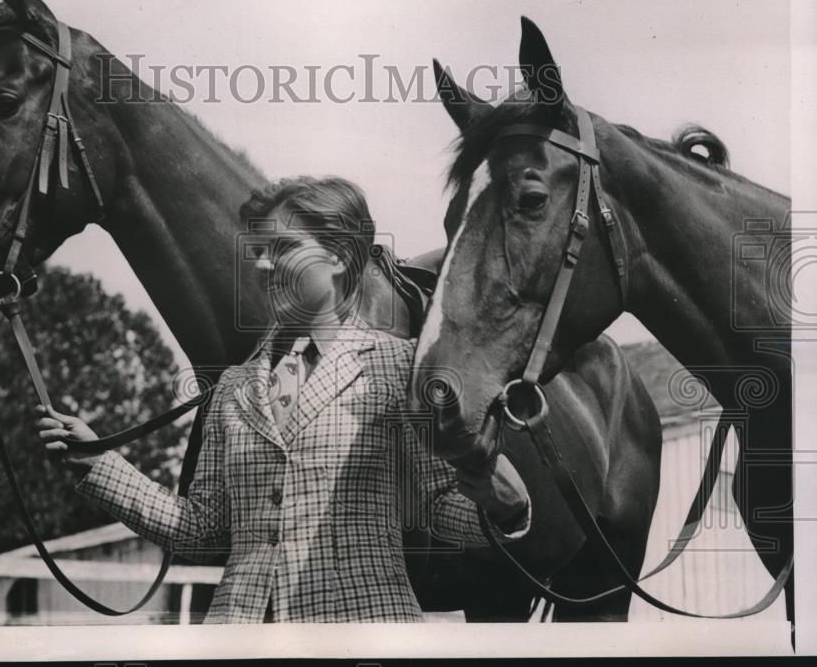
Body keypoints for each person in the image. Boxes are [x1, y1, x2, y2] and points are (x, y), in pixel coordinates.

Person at [35, 176, 530, 623]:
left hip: (363, 633)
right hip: (238, 641)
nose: (263, 263)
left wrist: (503, 508)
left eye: (284, 247)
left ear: (337, 256)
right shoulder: (231, 387)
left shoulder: (399, 367)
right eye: (260, 250)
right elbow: (203, 530)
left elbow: (440, 509)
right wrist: (99, 463)